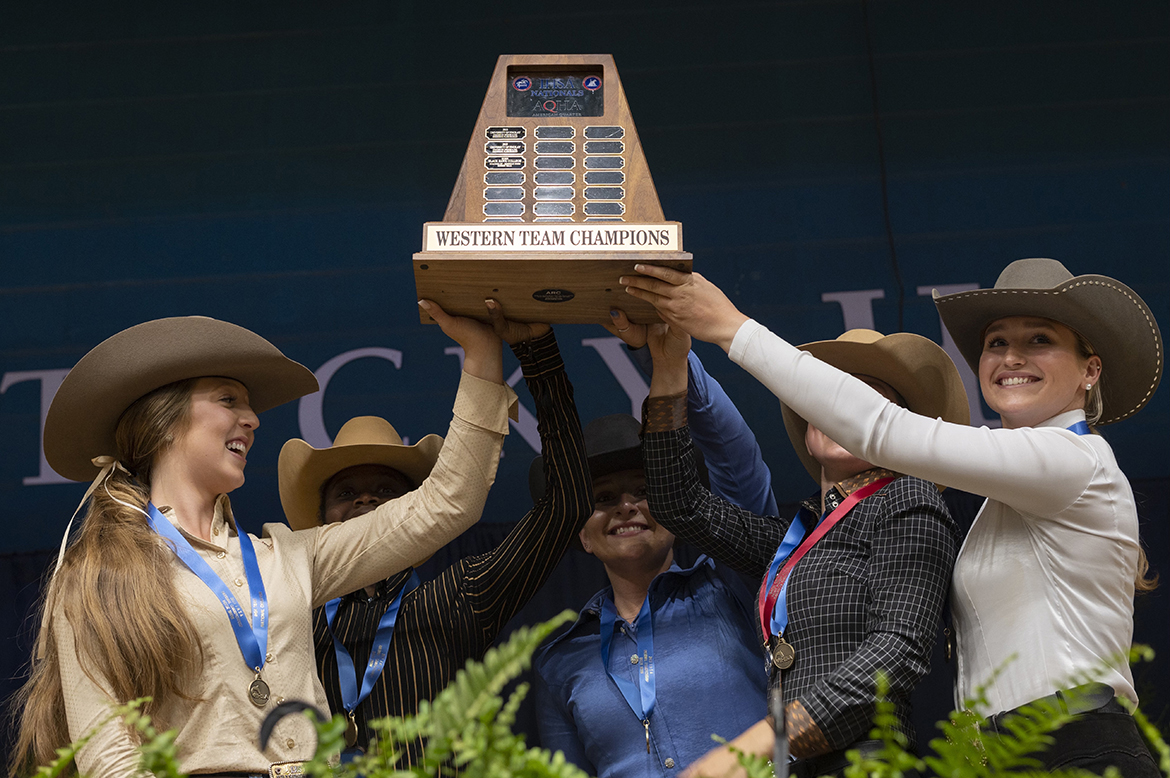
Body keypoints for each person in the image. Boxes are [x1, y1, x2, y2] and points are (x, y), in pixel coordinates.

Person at [622, 258, 1162, 776]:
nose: (1012, 357)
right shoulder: (1010, 497)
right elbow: (682, 506)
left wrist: (729, 327)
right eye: (997, 343)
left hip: (1073, 746)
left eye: (1039, 340)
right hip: (1000, 758)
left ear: (1090, 370)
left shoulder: (1076, 460)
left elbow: (882, 431)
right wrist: (669, 367)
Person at [9, 303, 516, 777]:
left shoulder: (288, 556)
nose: (252, 420)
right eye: (229, 400)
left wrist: (482, 355)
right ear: (163, 422)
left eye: (248, 407)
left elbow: (448, 502)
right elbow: (108, 753)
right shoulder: (98, 572)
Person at [638, 324, 965, 778]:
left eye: (862, 397)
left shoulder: (908, 500)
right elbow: (680, 505)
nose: (838, 408)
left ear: (895, 425)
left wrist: (768, 740)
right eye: (827, 393)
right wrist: (671, 365)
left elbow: (898, 648)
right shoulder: (797, 538)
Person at [277, 310, 591, 760]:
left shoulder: (459, 595)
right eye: (347, 492)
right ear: (322, 518)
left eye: (387, 491)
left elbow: (568, 503)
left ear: (418, 513)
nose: (366, 502)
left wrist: (536, 351)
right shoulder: (290, 613)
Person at [532, 413, 769, 778]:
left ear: (677, 513)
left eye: (644, 492)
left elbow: (740, 469)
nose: (625, 506)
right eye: (604, 497)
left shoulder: (733, 589)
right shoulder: (558, 661)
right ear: (582, 535)